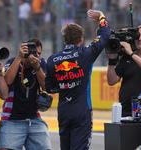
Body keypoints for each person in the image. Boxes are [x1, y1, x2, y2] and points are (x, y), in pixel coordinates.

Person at [45, 9, 110, 150]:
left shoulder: (52, 59)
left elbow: (49, 88)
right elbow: (105, 35)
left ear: (65, 39)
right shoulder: (86, 53)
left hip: (63, 111)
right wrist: (101, 16)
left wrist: (64, 86)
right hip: (81, 111)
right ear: (81, 39)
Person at [0, 37, 51, 150]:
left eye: (38, 53)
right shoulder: (13, 62)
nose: (35, 56)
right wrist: (19, 57)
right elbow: (7, 82)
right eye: (32, 52)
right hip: (12, 120)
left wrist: (37, 67)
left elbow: (47, 86)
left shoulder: (41, 64)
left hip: (34, 119)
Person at [107, 25, 141, 117]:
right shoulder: (126, 57)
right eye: (137, 36)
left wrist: (131, 53)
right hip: (126, 111)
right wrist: (112, 60)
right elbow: (111, 81)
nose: (140, 39)